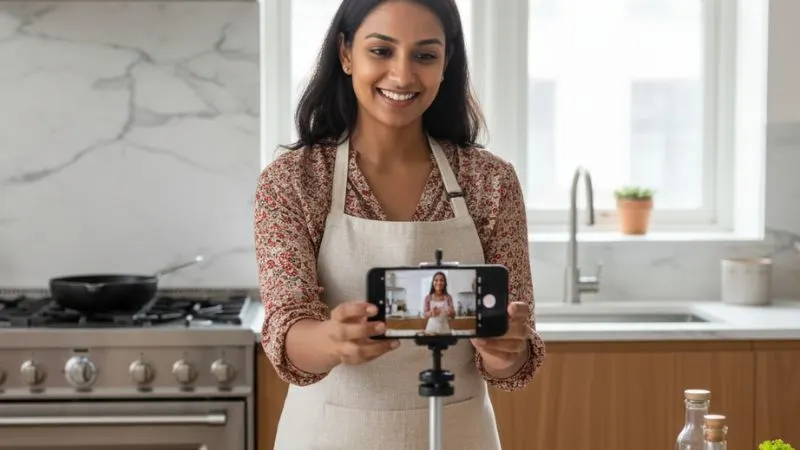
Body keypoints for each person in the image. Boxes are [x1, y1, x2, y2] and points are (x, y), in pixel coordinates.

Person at [254, 0, 546, 448]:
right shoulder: (294, 181)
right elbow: (285, 329)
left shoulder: (489, 181)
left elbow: (514, 349)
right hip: (330, 435)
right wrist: (331, 340)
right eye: (382, 51)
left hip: (459, 435)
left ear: (446, 63)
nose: (403, 75)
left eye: (425, 55)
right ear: (346, 54)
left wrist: (506, 347)